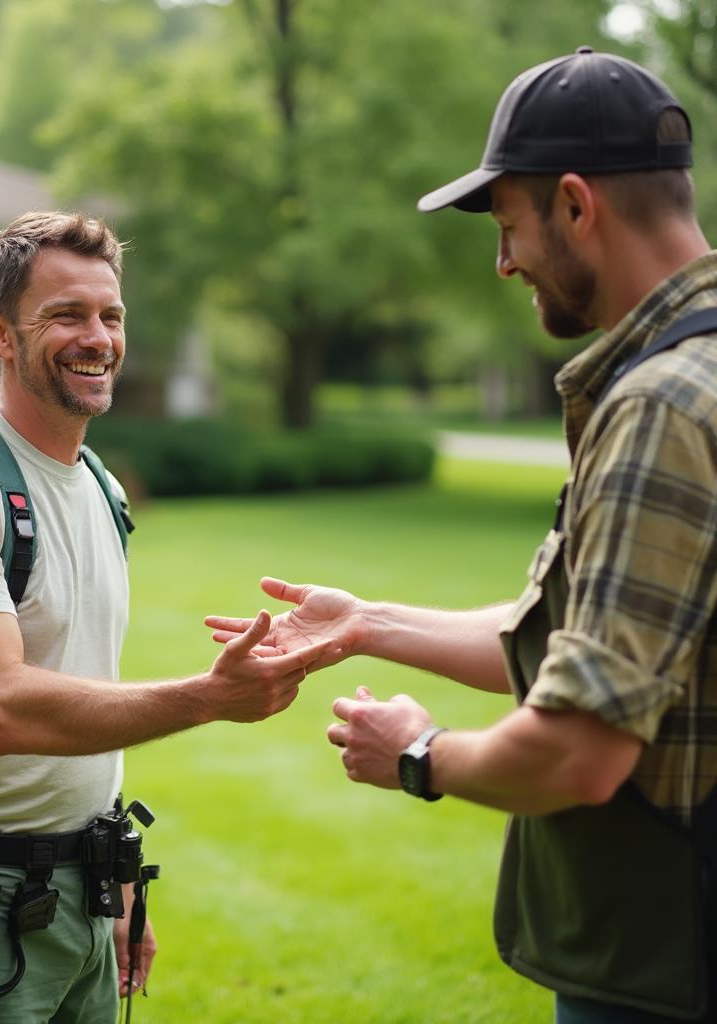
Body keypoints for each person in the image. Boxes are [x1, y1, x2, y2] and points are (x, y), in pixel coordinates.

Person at [207, 48, 717, 1023]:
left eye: (508, 223)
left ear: (576, 205)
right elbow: (585, 641)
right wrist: (364, 621)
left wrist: (419, 752)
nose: (502, 262)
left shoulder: (661, 407)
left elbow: (578, 749)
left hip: (670, 965)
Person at [0, 211, 329, 1023]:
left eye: (110, 315)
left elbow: (87, 688)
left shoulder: (100, 487)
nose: (98, 338)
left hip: (81, 894)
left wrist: (111, 880)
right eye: (66, 316)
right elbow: (4, 708)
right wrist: (206, 699)